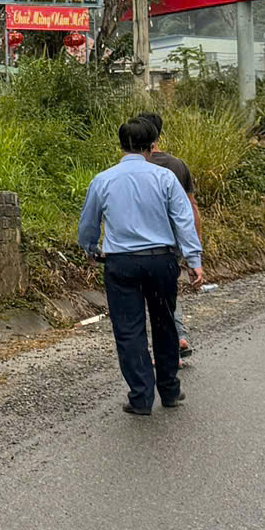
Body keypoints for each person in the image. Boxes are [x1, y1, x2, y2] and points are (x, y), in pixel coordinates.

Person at [76, 110, 205, 415]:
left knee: (129, 330)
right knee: (164, 324)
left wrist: (91, 249)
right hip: (161, 261)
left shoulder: (103, 180)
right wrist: (194, 259)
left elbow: (88, 223)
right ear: (152, 144)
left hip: (121, 265)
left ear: (121, 145)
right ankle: (170, 391)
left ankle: (141, 398)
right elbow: (183, 220)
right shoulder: (165, 177)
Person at [141, 114, 203, 361]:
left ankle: (168, 347)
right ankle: (178, 337)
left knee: (152, 298)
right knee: (167, 292)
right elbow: (191, 207)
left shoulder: (134, 168)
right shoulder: (178, 165)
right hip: (175, 240)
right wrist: (195, 250)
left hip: (145, 240)